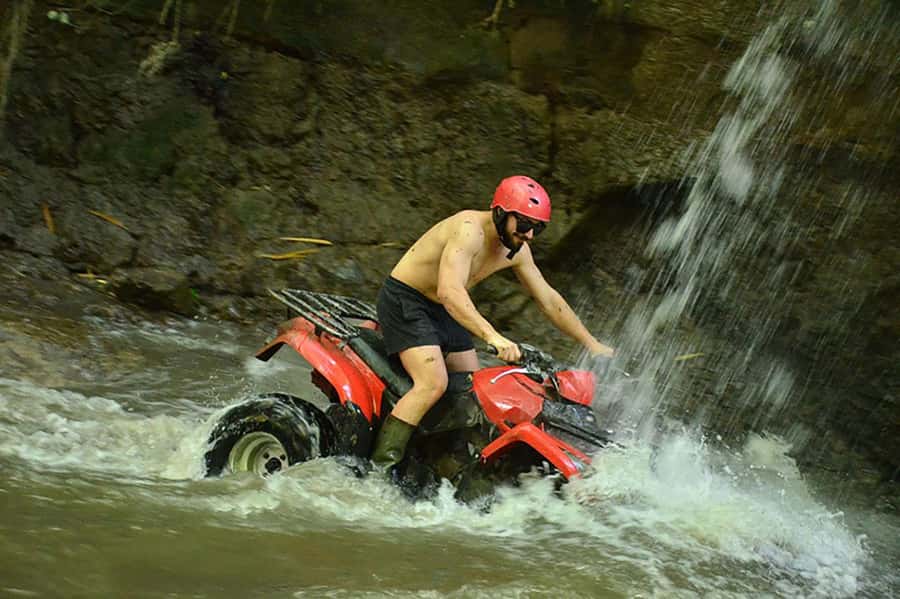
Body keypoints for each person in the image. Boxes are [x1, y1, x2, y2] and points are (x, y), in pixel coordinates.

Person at [371, 175, 615, 469]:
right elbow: (450, 291)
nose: (530, 235)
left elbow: (548, 299)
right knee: (433, 384)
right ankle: (381, 467)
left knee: (471, 391)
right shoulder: (468, 231)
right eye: (524, 225)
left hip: (444, 308)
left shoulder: (518, 250)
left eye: (538, 228)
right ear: (501, 213)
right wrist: (494, 337)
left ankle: (436, 458)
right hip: (407, 299)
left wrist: (592, 344)